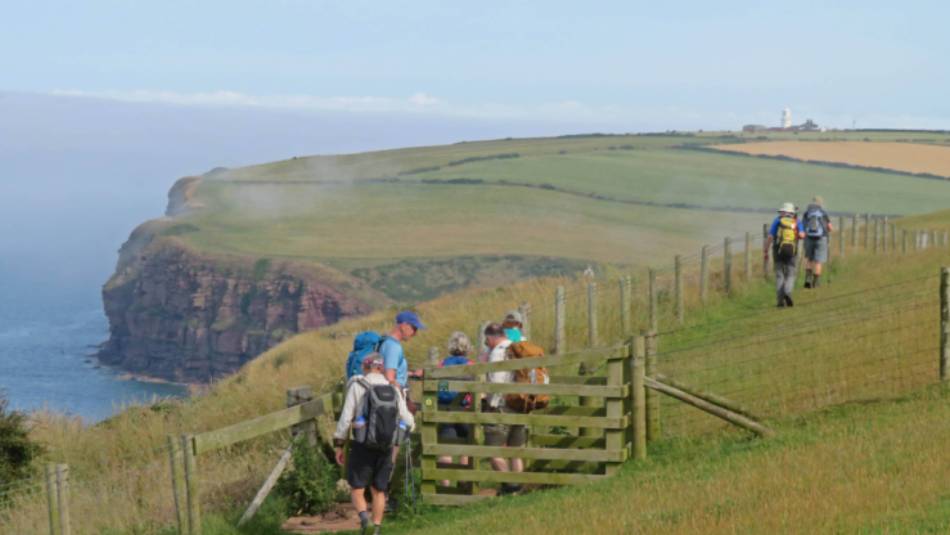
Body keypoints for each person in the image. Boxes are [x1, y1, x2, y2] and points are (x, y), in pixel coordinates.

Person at [334, 354, 414, 535]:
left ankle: (364, 519)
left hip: (362, 445)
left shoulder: (357, 385)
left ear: (365, 367)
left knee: (357, 487)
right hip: (386, 446)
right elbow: (407, 419)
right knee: (379, 490)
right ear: (382, 368)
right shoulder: (393, 389)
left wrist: (339, 444)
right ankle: (376, 529)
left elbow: (346, 418)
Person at [481, 322, 525, 495]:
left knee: (493, 451)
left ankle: (511, 486)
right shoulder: (518, 348)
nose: (487, 343)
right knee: (516, 451)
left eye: (487, 340)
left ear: (492, 337)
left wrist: (490, 403)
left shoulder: (498, 352)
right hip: (520, 404)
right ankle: (518, 488)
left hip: (502, 407)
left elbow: (497, 383)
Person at [436, 332, 474, 487]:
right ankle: (463, 482)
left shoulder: (443, 364)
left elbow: (440, 386)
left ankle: (444, 485)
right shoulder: (471, 365)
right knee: (465, 447)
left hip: (446, 410)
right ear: (467, 347)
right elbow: (474, 388)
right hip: (465, 409)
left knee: (445, 448)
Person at [379, 310, 425, 407]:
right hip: (394, 400)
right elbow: (390, 378)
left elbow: (389, 370)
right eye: (414, 328)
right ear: (404, 325)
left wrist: (412, 373)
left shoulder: (388, 343)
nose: (415, 333)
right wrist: (404, 402)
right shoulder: (393, 347)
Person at [765, 202, 805, 307]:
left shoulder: (778, 220)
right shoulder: (797, 221)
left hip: (777, 251)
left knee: (779, 275)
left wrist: (766, 250)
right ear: (792, 212)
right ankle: (788, 292)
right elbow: (802, 235)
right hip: (792, 251)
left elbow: (770, 237)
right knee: (791, 274)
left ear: (783, 212)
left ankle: (780, 301)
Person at [802, 196, 833, 288]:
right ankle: (816, 283)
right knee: (818, 261)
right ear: (820, 203)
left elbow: (803, 226)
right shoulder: (823, 213)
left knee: (809, 259)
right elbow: (830, 228)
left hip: (809, 238)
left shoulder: (807, 213)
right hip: (821, 238)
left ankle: (808, 280)